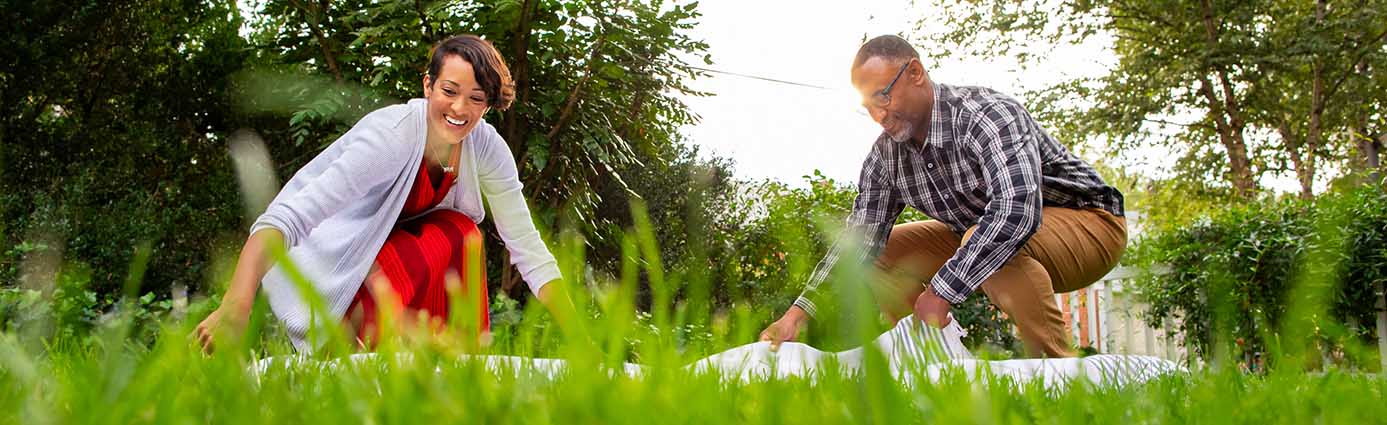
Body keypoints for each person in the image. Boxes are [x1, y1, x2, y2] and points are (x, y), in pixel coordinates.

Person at [194, 34, 581, 353]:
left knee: (461, 233)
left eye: (477, 98)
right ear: (428, 85)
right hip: (337, 291)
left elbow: (527, 246)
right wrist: (236, 305)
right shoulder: (391, 137)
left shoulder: (485, 147)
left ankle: (452, 365)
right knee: (455, 232)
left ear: (488, 104)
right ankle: (358, 357)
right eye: (449, 90)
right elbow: (285, 218)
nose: (460, 108)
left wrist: (581, 343)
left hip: (398, 280)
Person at [758, 35, 1127, 358]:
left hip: (1089, 224)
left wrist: (940, 292)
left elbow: (1015, 212)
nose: (878, 115)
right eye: (867, 106)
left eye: (882, 97)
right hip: (982, 230)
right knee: (879, 253)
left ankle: (1058, 373)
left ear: (915, 73)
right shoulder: (885, 157)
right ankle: (928, 358)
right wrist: (796, 316)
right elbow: (857, 244)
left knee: (984, 236)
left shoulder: (987, 115)